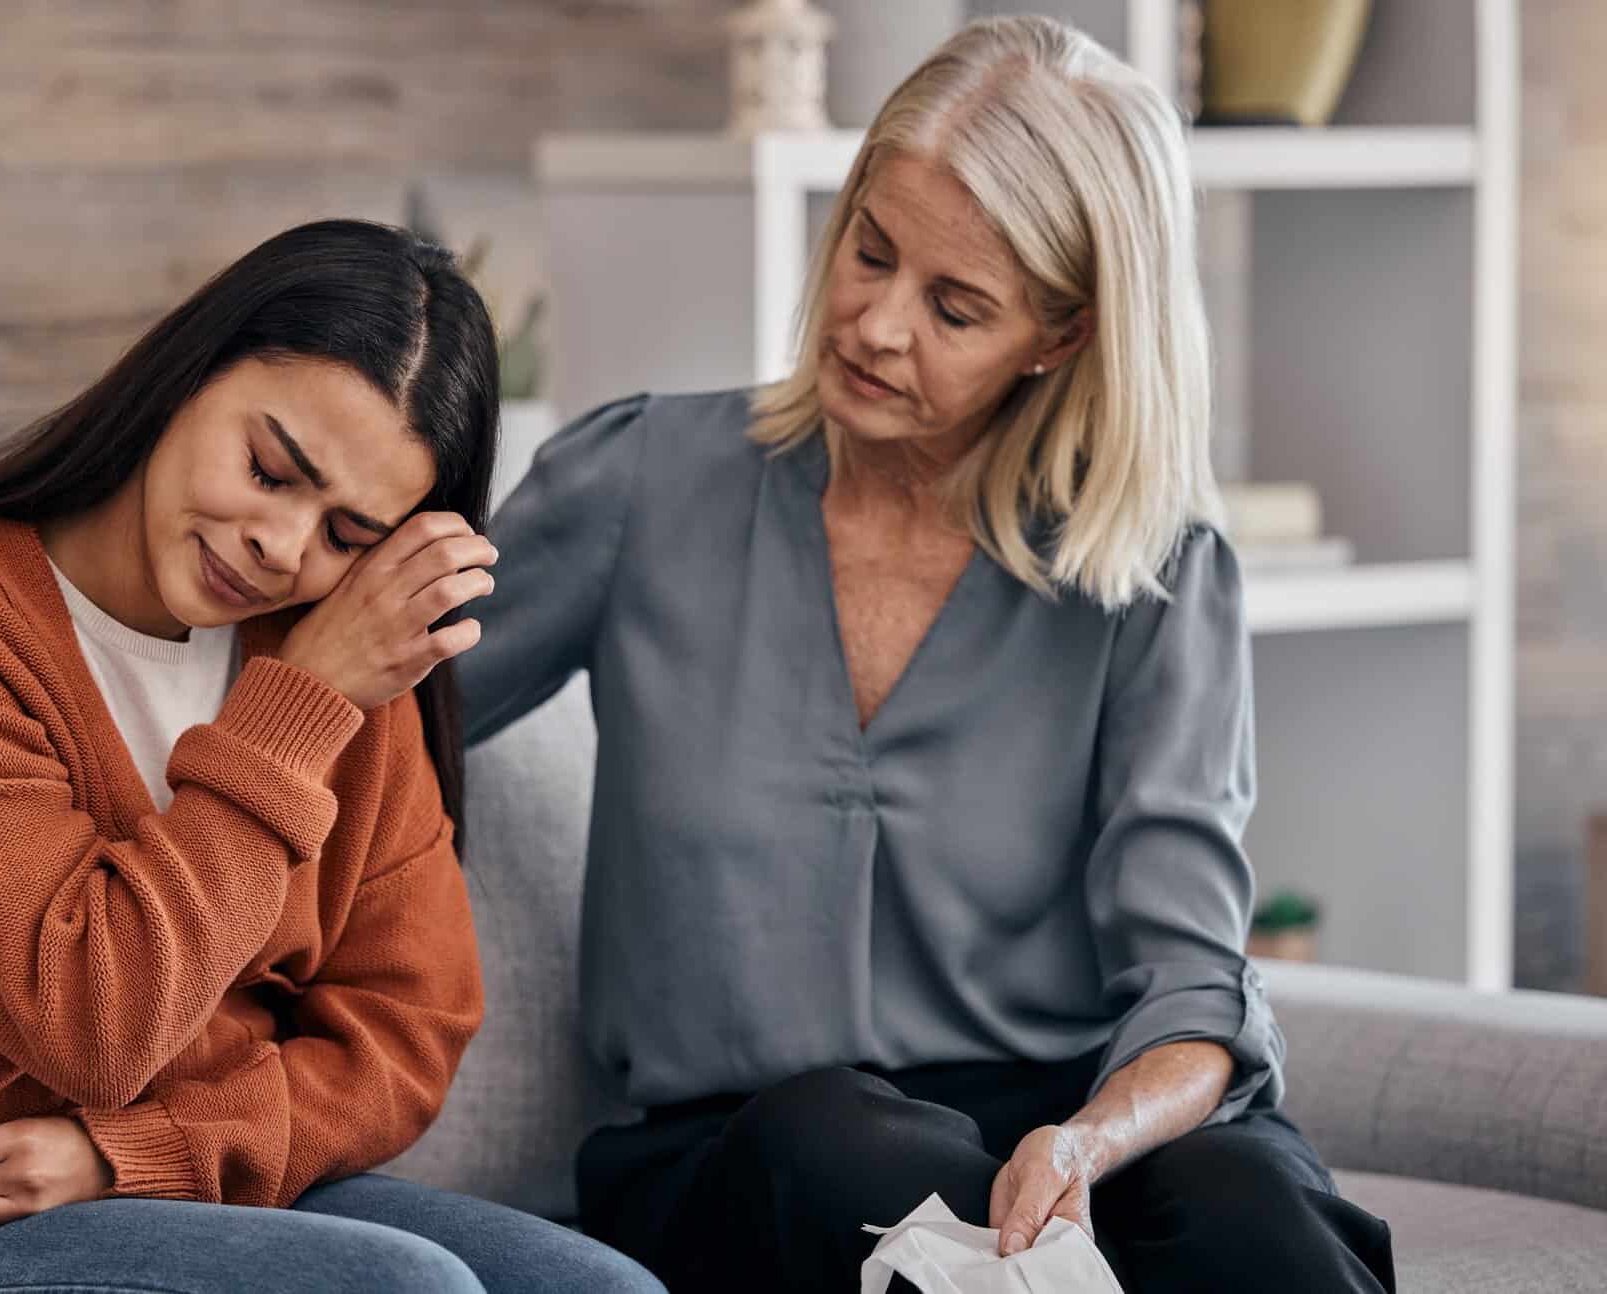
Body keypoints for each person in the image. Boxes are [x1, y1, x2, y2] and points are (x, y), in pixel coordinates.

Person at [459, 18, 1397, 1294]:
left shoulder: (1153, 571)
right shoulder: (641, 483)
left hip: (1064, 1129)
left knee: (1256, 1218)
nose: (877, 324)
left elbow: (1190, 980)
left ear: (1059, 336)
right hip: (745, 1149)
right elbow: (392, 708)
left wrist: (1087, 1137)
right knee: (845, 1159)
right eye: (871, 250)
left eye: (955, 307)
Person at [0, 219, 662, 1294]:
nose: (284, 549)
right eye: (271, 470)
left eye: (350, 536)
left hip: (221, 1186)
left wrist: (133, 1156)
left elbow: (405, 1027)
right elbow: (90, 1021)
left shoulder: (334, 654)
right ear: (185, 374)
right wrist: (303, 706)